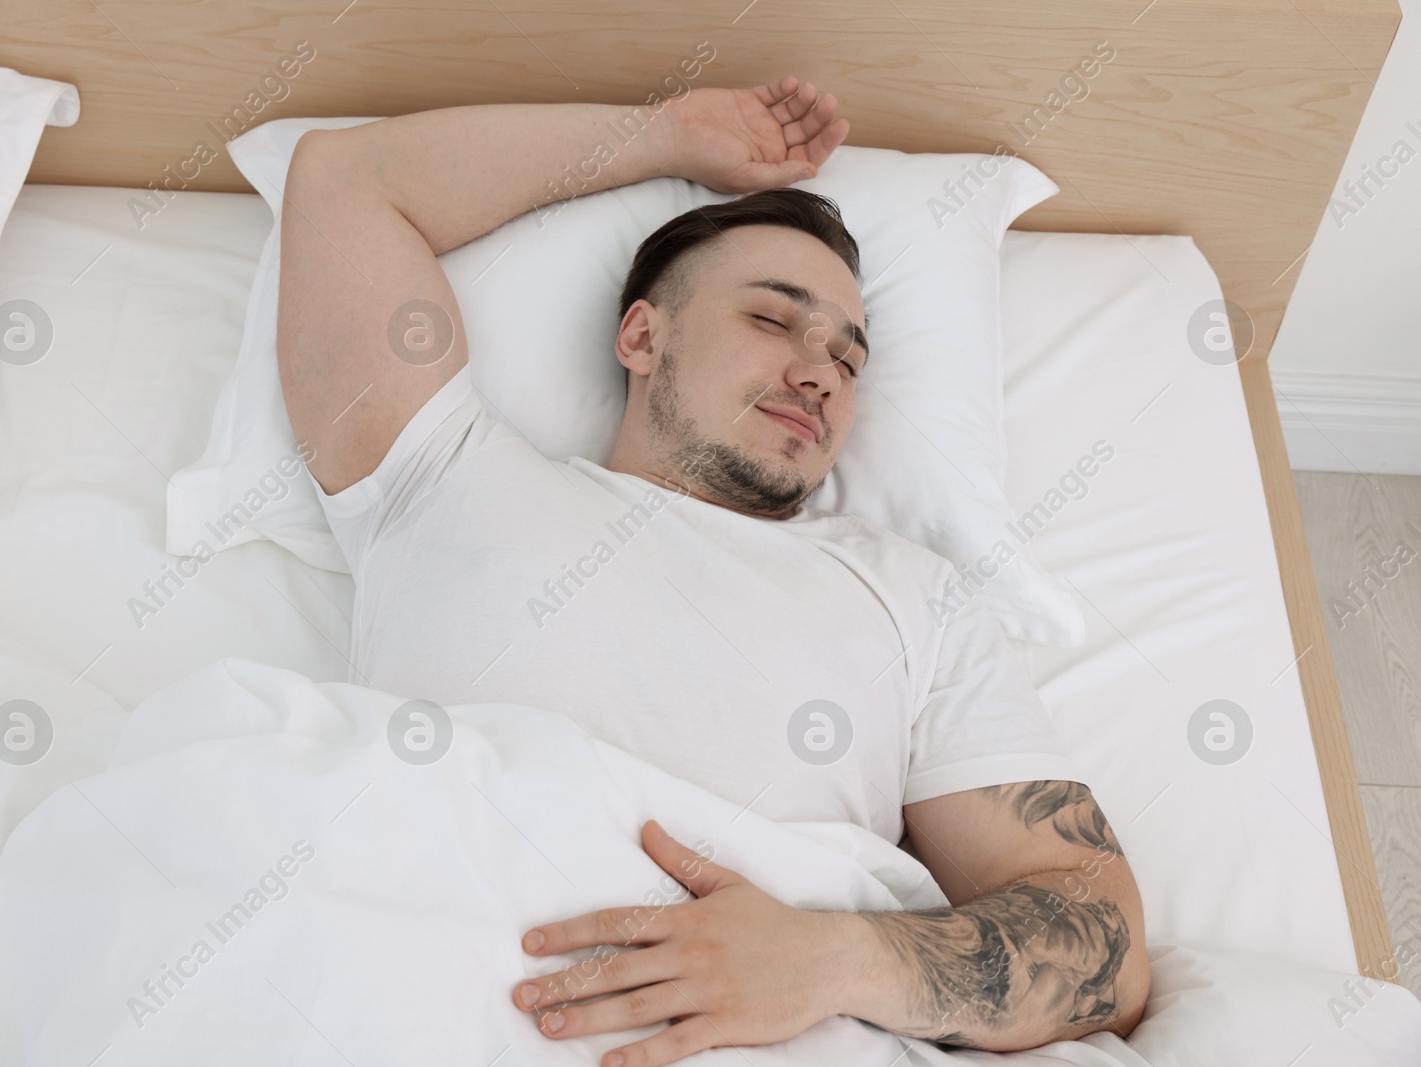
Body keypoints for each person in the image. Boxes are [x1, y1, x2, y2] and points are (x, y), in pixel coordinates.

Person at [277, 75, 1149, 1066]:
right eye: (774, 320)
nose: (819, 371)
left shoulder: (915, 595)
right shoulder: (440, 470)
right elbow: (346, 180)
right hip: (395, 990)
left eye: (847, 359)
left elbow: (1102, 944)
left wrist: (834, 959)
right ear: (642, 334)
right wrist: (665, 136)